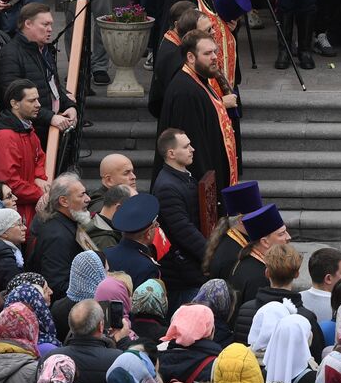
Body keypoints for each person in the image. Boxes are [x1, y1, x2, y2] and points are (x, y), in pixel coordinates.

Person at [159, 31, 240, 208]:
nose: (214, 58)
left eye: (215, 52)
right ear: (190, 57)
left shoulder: (198, 81)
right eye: (207, 54)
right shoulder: (185, 92)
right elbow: (193, 147)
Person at [0, 2, 77, 149]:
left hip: (48, 130)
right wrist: (50, 117)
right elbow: (14, 101)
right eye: (45, 24)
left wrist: (69, 106)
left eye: (51, 24)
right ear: (28, 24)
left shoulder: (43, 51)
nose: (50, 29)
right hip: (27, 136)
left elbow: (53, 87)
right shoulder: (9, 55)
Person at [152, 129, 206, 303]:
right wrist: (211, 254)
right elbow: (183, 230)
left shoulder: (183, 177)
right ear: (171, 153)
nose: (193, 149)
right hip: (181, 275)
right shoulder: (167, 186)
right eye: (186, 146)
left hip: (189, 267)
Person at [0, 80, 48, 231]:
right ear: (15, 103)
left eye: (38, 99)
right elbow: (7, 183)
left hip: (27, 207)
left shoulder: (26, 129)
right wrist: (42, 192)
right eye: (32, 100)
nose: (38, 104)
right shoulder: (5, 136)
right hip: (15, 216)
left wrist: (38, 177)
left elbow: (39, 158)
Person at [28, 173, 95, 299]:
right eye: (81, 195)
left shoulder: (67, 223)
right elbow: (57, 285)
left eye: (86, 193)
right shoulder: (57, 236)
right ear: (64, 201)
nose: (88, 199)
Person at [102, 193, 162, 289]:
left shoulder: (105, 253)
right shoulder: (147, 267)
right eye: (155, 225)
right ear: (148, 234)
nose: (158, 226)